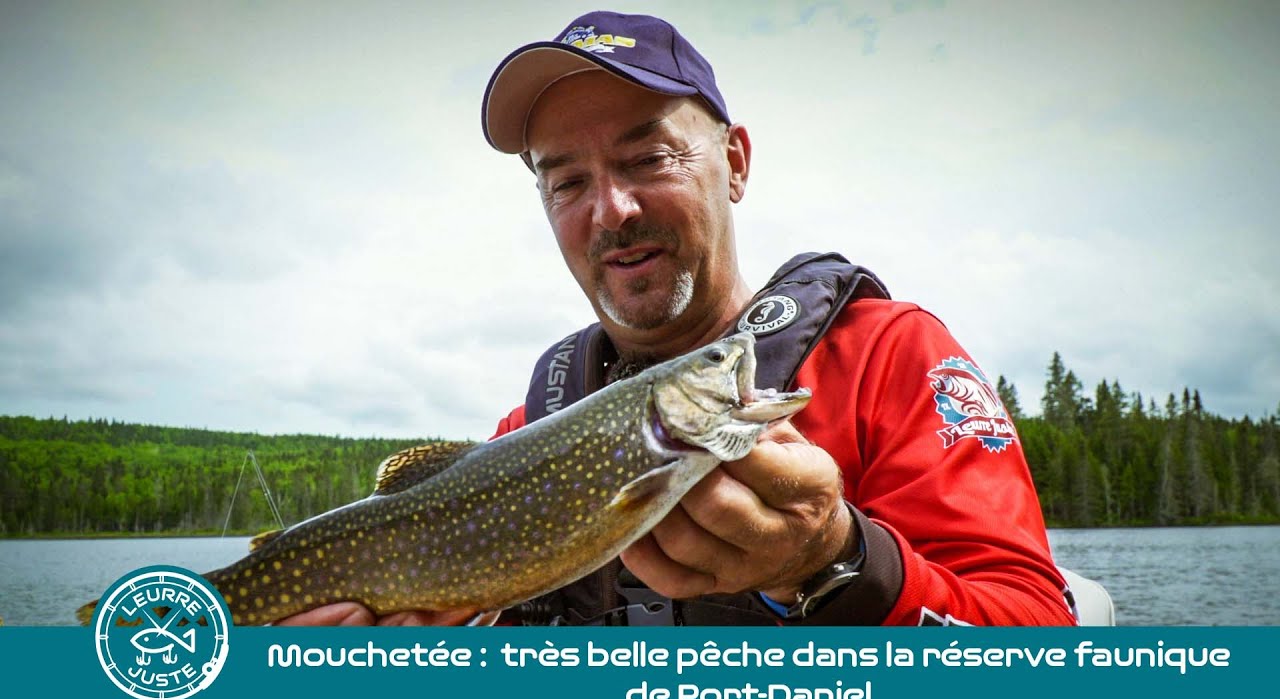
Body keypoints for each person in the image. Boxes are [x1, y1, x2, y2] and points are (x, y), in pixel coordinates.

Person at [280, 10, 1077, 627]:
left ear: (734, 163)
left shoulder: (887, 356)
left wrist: (836, 560)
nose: (611, 210)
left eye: (647, 159)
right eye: (567, 182)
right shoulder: (533, 427)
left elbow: (1039, 650)